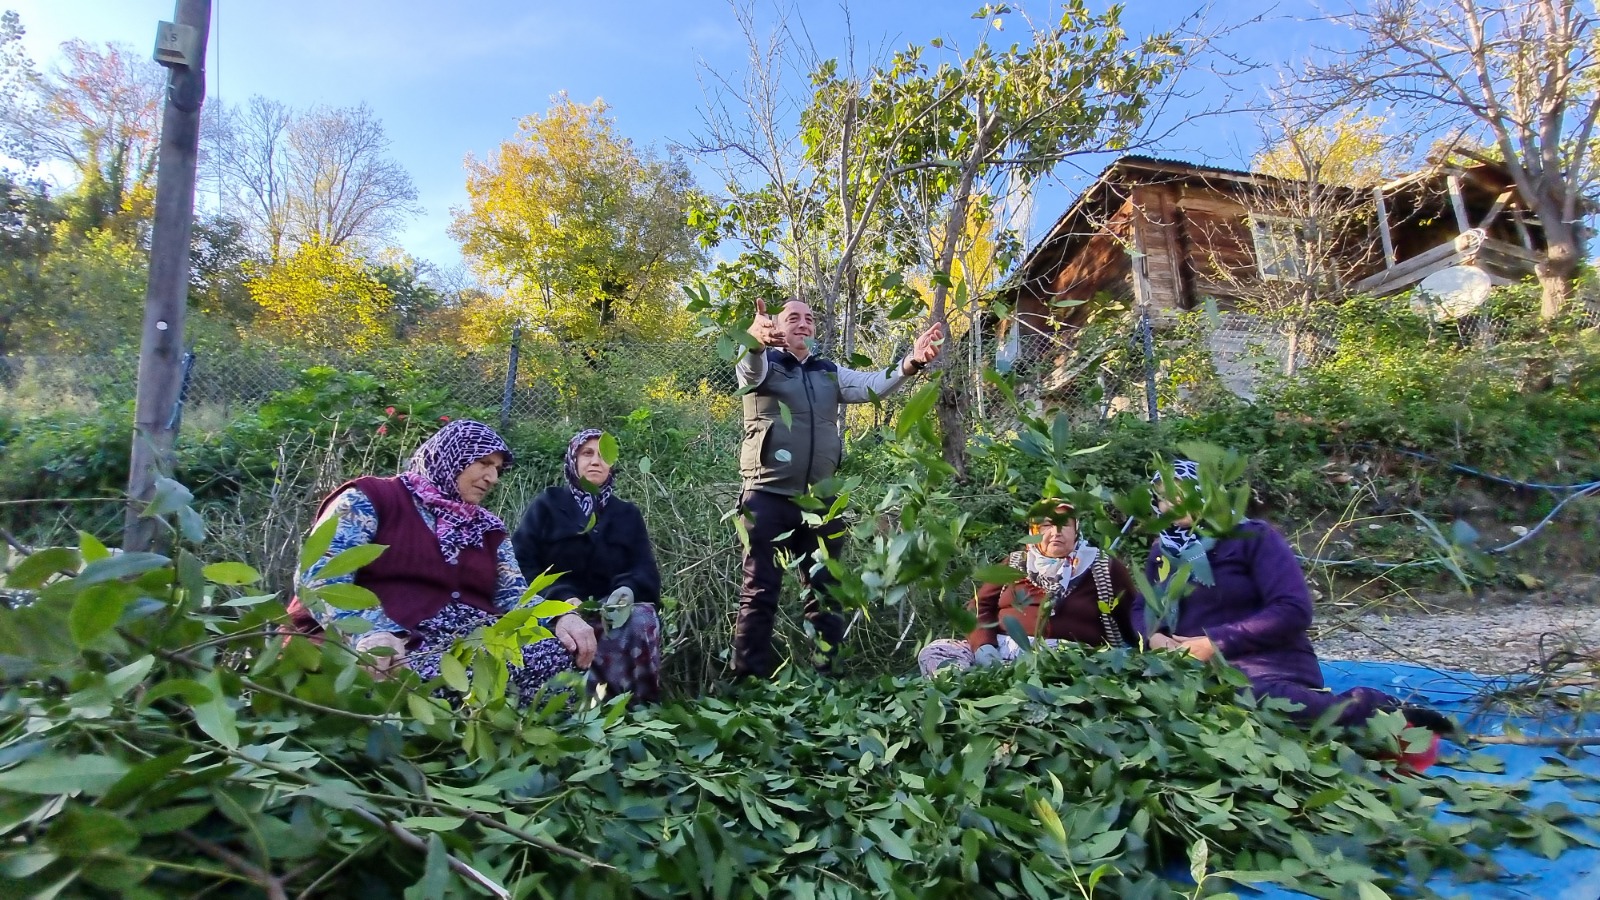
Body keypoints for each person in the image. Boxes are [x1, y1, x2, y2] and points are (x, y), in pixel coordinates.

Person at [1135, 459, 1451, 763]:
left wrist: (1213, 644)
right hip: (1195, 670)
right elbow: (1142, 607)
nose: (1172, 504)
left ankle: (1375, 710)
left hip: (1265, 664)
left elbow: (1293, 609)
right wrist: (1155, 639)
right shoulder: (1163, 552)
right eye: (1163, 498)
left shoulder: (1253, 538)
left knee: (1254, 701)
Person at [290, 420, 597, 705]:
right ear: (451, 455)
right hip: (394, 641)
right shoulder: (370, 498)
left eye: (498, 470)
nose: (492, 477)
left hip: (468, 643)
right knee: (422, 681)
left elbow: (513, 597)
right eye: (484, 463)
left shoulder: (488, 528)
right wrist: (371, 632)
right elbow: (320, 576)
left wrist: (557, 617)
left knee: (564, 656)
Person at [732, 297, 945, 679]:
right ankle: (745, 684)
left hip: (820, 502)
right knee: (761, 592)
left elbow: (872, 386)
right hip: (766, 495)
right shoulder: (766, 364)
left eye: (809, 318)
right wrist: (754, 341)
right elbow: (748, 373)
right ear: (777, 326)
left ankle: (828, 679)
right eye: (792, 317)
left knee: (827, 592)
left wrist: (911, 362)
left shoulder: (827, 371)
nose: (802, 323)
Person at [512, 428, 663, 704]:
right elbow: (521, 562)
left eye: (604, 455)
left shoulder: (627, 514)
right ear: (573, 460)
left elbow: (646, 569)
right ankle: (570, 713)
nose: (595, 461)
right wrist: (559, 599)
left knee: (642, 618)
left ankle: (636, 709)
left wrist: (627, 590)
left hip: (610, 614)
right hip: (555, 610)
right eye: (587, 453)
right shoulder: (548, 504)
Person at [918, 500, 1140, 677]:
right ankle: (968, 690)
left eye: (1065, 525)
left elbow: (1135, 618)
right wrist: (984, 647)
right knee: (936, 653)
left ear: (1076, 530)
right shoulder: (1015, 564)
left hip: (1070, 661)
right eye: (1046, 525)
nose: (1056, 532)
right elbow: (978, 607)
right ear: (1034, 531)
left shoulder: (1103, 567)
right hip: (1002, 653)